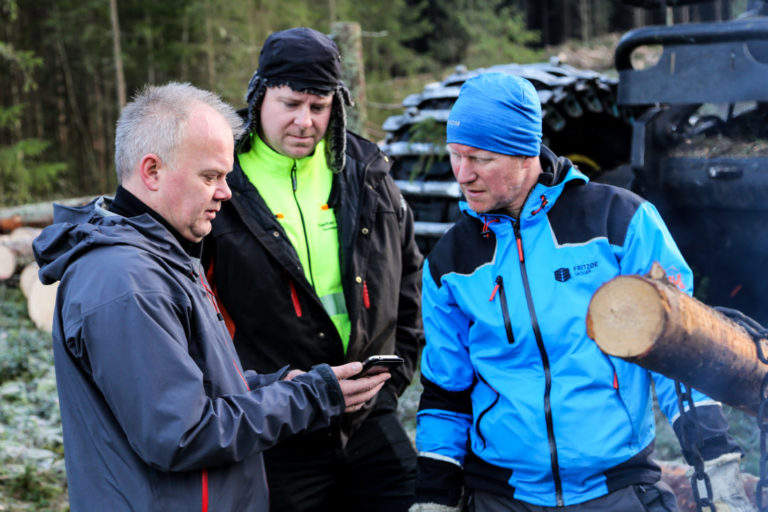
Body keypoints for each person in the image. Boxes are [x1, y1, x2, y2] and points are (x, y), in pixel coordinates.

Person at [32, 82, 391, 511]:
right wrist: (308, 397)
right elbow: (181, 434)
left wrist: (278, 384)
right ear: (152, 171)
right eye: (211, 177)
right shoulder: (127, 281)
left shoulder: (163, 257)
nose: (225, 192)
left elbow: (194, 389)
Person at [409, 72, 753, 512]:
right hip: (501, 496)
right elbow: (445, 392)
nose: (462, 175)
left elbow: (682, 356)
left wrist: (715, 462)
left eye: (479, 158)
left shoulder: (619, 224)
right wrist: (435, 497)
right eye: (455, 156)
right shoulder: (449, 262)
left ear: (524, 151)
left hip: (618, 489)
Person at [203, 27, 423, 511]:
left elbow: (408, 273)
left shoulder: (366, 170)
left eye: (319, 106)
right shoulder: (220, 177)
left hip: (368, 412)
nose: (305, 121)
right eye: (291, 103)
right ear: (259, 96)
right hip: (277, 421)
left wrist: (396, 374)